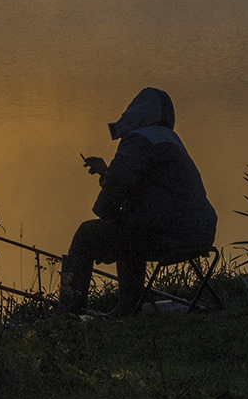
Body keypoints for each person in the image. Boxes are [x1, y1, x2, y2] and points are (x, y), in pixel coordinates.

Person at [54, 86, 217, 317]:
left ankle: (67, 314)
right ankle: (127, 307)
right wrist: (105, 174)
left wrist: (106, 212)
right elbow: (146, 188)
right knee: (129, 229)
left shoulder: (139, 140)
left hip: (167, 237)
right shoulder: (170, 141)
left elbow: (119, 184)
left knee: (86, 234)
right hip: (198, 234)